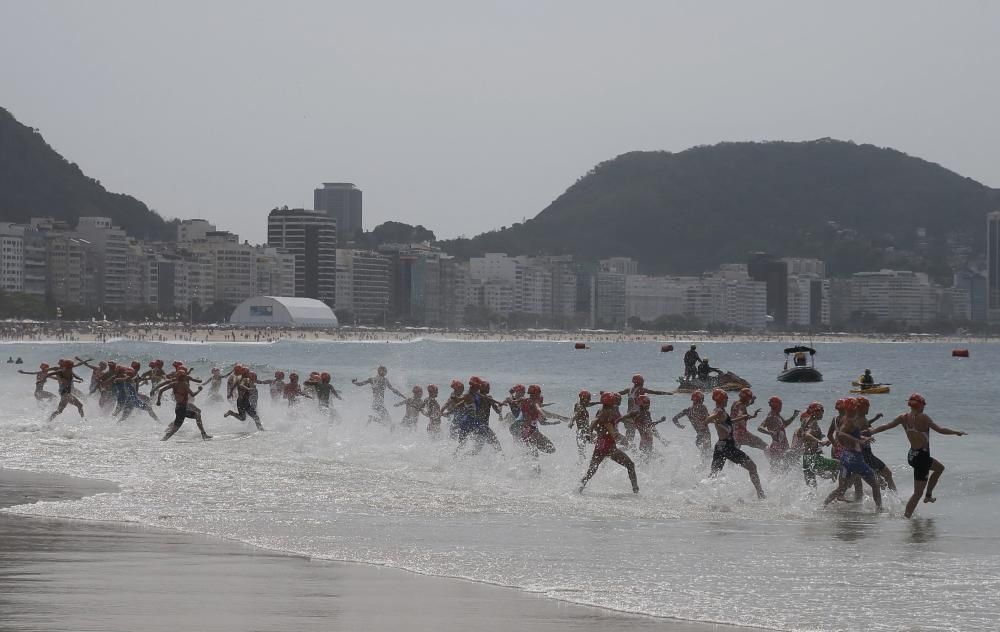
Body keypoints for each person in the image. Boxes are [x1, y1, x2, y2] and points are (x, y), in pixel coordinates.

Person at [866, 393, 966, 518]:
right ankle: (907, 517)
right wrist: (956, 432)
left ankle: (928, 496)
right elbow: (940, 429)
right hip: (921, 458)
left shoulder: (903, 417)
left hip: (912, 455)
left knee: (939, 468)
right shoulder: (923, 417)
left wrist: (872, 431)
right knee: (917, 493)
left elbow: (886, 426)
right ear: (921, 406)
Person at [823, 398, 883, 512]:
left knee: (842, 488)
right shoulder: (849, 421)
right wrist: (858, 441)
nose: (857, 408)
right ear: (852, 408)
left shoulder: (847, 419)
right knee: (875, 484)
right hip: (855, 458)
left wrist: (863, 438)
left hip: (846, 456)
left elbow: (847, 434)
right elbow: (841, 434)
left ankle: (823, 506)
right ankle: (879, 510)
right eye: (856, 406)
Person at [705, 389, 765, 499]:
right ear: (721, 399)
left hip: (720, 446)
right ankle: (761, 494)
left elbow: (729, 421)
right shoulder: (719, 411)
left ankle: (698, 491)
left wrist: (743, 417)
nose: (728, 400)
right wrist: (711, 418)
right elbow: (708, 419)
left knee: (713, 474)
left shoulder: (721, 411)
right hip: (727, 447)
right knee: (752, 467)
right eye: (726, 398)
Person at [579, 391, 639, 494]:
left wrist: (589, 433)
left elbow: (597, 422)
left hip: (599, 445)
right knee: (630, 465)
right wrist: (614, 435)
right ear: (611, 401)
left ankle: (579, 488)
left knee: (591, 471)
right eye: (614, 400)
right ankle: (636, 491)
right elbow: (604, 423)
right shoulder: (609, 412)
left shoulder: (601, 410)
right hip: (609, 446)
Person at [792, 402, 839, 488]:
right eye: (820, 410)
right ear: (814, 411)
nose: (822, 413)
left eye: (822, 411)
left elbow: (800, 434)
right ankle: (837, 492)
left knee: (812, 487)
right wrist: (819, 441)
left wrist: (819, 438)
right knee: (839, 464)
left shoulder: (805, 421)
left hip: (806, 458)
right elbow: (807, 435)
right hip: (814, 458)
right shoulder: (814, 423)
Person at [156, 368, 211, 441]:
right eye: (185, 376)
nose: (186, 377)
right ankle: (163, 440)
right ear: (183, 377)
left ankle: (204, 434)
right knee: (174, 429)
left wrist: (158, 401)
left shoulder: (174, 384)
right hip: (182, 409)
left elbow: (161, 390)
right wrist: (199, 390)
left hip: (179, 408)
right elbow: (192, 394)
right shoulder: (184, 384)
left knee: (197, 415)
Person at [854, 396, 895, 492]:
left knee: (881, 480)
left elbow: (866, 425)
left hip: (866, 454)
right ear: (861, 407)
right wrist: (864, 435)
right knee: (886, 475)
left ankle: (889, 499)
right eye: (867, 406)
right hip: (864, 454)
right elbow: (851, 434)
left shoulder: (861, 417)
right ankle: (895, 498)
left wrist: (875, 420)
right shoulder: (856, 419)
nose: (868, 408)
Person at [827, 399, 863, 502]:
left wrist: (835, 444)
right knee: (857, 475)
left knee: (842, 472)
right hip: (846, 449)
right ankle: (857, 498)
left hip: (836, 449)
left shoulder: (835, 419)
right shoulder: (847, 419)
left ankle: (841, 494)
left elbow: (829, 435)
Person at [618, 395, 671, 462]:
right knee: (656, 459)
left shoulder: (647, 413)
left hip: (648, 440)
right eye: (646, 403)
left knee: (648, 461)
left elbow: (651, 426)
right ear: (640, 403)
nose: (648, 405)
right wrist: (660, 421)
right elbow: (622, 418)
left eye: (649, 403)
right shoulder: (637, 413)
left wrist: (660, 422)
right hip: (645, 442)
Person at [756, 396, 799, 471]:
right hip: (777, 447)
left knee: (787, 466)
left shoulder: (777, 415)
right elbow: (760, 428)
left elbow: (785, 424)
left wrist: (794, 416)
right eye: (780, 405)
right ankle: (771, 482)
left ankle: (780, 481)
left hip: (784, 445)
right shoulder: (771, 416)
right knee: (776, 468)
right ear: (776, 405)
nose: (781, 407)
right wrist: (770, 433)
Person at [673, 391, 711, 463]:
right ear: (701, 399)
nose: (703, 401)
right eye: (702, 399)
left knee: (704, 457)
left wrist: (679, 426)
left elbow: (674, 419)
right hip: (705, 435)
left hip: (699, 437)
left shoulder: (688, 410)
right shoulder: (703, 408)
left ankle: (698, 471)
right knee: (708, 457)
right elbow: (709, 419)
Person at [568, 390, 599, 460]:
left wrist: (599, 402)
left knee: (582, 455)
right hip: (583, 433)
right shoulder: (580, 408)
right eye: (589, 398)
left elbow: (589, 404)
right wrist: (571, 422)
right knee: (600, 444)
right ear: (584, 399)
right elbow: (575, 415)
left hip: (582, 433)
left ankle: (583, 465)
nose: (590, 400)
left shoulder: (579, 404)